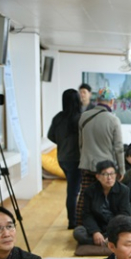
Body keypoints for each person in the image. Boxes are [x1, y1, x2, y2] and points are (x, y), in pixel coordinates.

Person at [76, 87, 124, 226]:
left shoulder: (84, 117)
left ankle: (81, 225)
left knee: (85, 195)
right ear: (112, 101)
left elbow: (80, 144)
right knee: (105, 197)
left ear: (97, 100)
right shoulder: (113, 120)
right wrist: (121, 170)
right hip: (105, 168)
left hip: (87, 164)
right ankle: (103, 227)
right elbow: (119, 148)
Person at [73, 160, 131, 246]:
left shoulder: (123, 190)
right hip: (98, 225)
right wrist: (95, 232)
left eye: (112, 174)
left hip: (116, 226)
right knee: (78, 232)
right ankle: (110, 242)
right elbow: (87, 214)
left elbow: (124, 214)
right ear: (98, 176)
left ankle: (105, 241)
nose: (109, 177)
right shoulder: (89, 191)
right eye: (105, 174)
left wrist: (111, 233)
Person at [47, 88, 81, 229]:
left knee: (72, 189)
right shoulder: (80, 118)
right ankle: (73, 222)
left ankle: (74, 219)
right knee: (73, 191)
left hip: (62, 158)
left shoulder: (58, 117)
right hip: (76, 159)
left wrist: (62, 143)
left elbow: (50, 136)